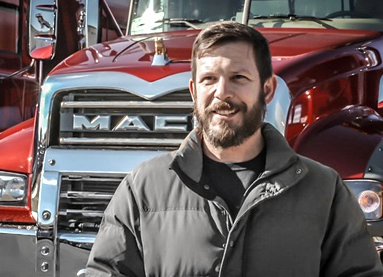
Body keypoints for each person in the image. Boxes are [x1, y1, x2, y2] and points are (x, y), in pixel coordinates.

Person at [86, 21, 383, 276]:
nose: (222, 93)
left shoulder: (323, 190)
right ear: (193, 91)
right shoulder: (143, 189)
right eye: (209, 79)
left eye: (238, 78)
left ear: (266, 90)